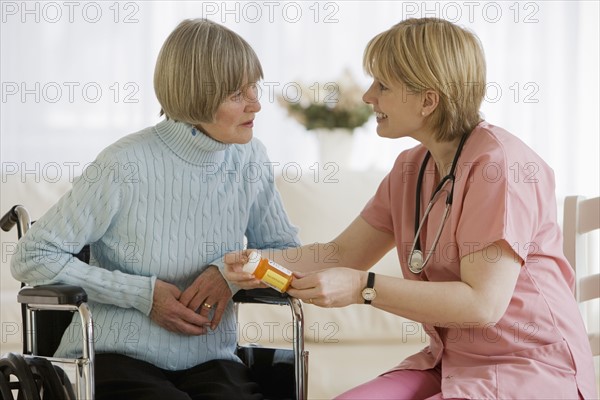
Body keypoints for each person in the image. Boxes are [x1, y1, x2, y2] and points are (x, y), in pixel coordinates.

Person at [224, 18, 598, 399]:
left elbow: (481, 305)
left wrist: (362, 288)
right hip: (450, 362)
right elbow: (342, 254)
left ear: (428, 100)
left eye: (382, 85)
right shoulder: (410, 168)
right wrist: (251, 264)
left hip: (529, 366)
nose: (368, 96)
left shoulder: (500, 167)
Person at [11, 18, 300, 400]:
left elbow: (289, 263)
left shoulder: (251, 159)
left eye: (255, 87)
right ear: (195, 95)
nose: (256, 103)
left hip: (212, 360)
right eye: (236, 94)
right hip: (115, 356)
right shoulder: (124, 162)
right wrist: (142, 295)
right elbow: (31, 256)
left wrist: (232, 275)